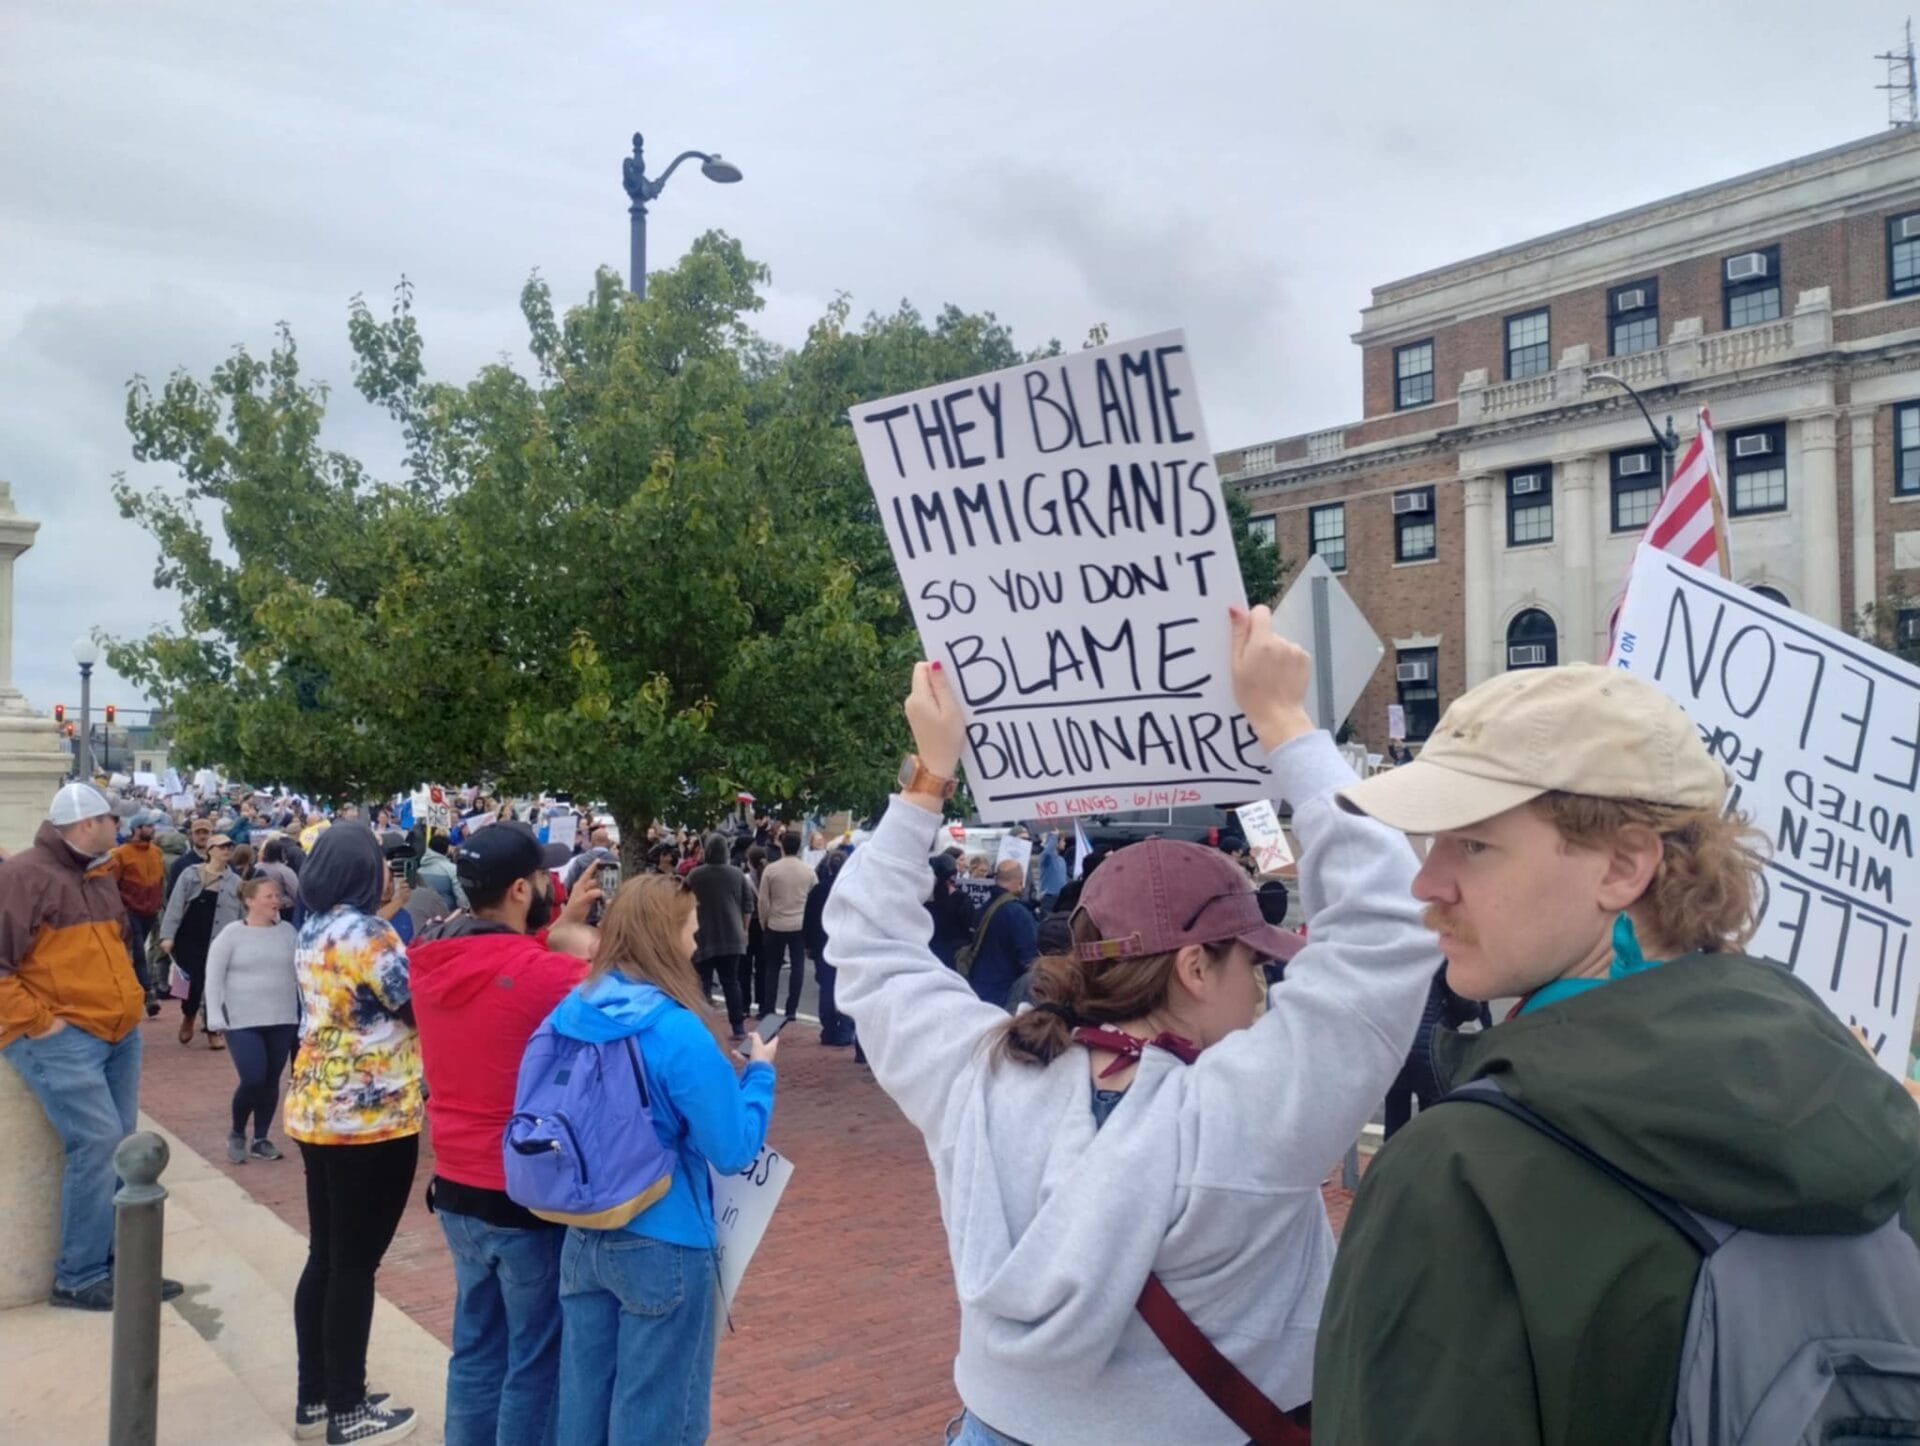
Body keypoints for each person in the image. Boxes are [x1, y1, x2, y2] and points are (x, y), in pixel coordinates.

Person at [824, 616, 1437, 1446]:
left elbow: (866, 938)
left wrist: (928, 775)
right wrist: (1286, 727)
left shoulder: (981, 1075)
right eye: (1249, 964)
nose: (1261, 986)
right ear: (1193, 968)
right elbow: (1389, 926)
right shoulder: (1244, 1112)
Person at [1313, 663, 1920, 1444]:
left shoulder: (1456, 1172)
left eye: (1473, 844)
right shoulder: (1862, 1100)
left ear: (1624, 865)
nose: (1428, 882)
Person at [552, 876, 778, 1445]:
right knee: (657, 1416)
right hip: (665, 1236)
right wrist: (759, 1076)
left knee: (583, 1406)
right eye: (691, 931)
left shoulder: (571, 1009)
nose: (696, 944)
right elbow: (731, 1148)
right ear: (666, 936)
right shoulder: (677, 1030)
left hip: (584, 1229)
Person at [410, 823, 599, 1446]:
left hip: (458, 1186)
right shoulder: (545, 975)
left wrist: (555, 924)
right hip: (525, 1191)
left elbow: (501, 970)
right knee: (534, 1364)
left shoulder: (432, 957)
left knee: (476, 1351)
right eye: (544, 880)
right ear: (522, 888)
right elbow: (589, 989)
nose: (550, 886)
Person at [0, 784, 183, 1310]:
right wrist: (40, 1024)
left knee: (121, 1149)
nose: (119, 827)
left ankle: (118, 1266)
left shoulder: (99, 872)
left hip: (113, 1032)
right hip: (64, 1036)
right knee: (101, 1143)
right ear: (84, 825)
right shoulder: (24, 877)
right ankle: (78, 1274)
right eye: (110, 819)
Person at [285, 823, 423, 1445]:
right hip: (372, 1115)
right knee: (354, 1266)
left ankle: (314, 1395)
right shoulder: (371, 935)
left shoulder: (312, 926)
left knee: (326, 1255)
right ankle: (349, 1408)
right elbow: (413, 1005)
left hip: (317, 1105)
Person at [205, 875, 299, 1164]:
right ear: (250, 901)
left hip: (282, 1017)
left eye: (277, 896)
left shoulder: (288, 932)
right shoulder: (232, 934)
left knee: (271, 1079)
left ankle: (261, 1137)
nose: (276, 901)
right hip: (243, 1019)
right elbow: (214, 976)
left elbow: (300, 973)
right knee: (253, 1077)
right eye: (269, 896)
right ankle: (236, 1131)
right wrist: (214, 1014)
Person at [159, 832, 241, 1048]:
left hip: (219, 940)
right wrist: (168, 936)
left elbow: (242, 913)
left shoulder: (236, 881)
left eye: (229, 847)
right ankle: (188, 1015)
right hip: (190, 937)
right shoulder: (190, 874)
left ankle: (213, 1029)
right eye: (222, 847)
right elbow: (176, 905)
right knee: (193, 985)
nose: (226, 851)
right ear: (210, 850)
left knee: (215, 984)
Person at [686, 833, 756, 1045]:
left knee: (701, 984)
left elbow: (684, 902)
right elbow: (748, 906)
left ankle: (700, 1025)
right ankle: (738, 1026)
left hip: (703, 936)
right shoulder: (736, 874)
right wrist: (743, 930)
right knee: (731, 982)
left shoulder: (695, 875)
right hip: (732, 935)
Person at [108, 811, 168, 1009]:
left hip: (150, 910)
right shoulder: (120, 854)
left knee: (139, 951)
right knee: (139, 952)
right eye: (148, 826)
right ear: (136, 829)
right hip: (129, 910)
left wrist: (160, 902)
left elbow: (160, 880)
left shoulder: (156, 852)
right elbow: (112, 885)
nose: (152, 829)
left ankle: (134, 988)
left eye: (152, 826)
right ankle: (147, 992)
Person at [963, 860, 1039, 1009]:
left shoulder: (981, 907)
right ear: (1020, 880)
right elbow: (1029, 961)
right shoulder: (1018, 913)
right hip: (1005, 994)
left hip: (976, 989)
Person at [756, 830, 812, 1022]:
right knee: (798, 967)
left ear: (781, 845)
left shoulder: (771, 870)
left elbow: (763, 901)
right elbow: (813, 898)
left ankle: (769, 1007)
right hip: (800, 923)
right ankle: (791, 1009)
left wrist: (764, 921)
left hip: (776, 923)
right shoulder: (808, 871)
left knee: (772, 968)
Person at [804, 850, 855, 1047]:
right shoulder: (852, 890)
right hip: (846, 946)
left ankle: (828, 1029)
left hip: (823, 946)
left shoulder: (818, 890)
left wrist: (809, 944)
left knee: (827, 988)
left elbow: (808, 920)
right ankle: (844, 1030)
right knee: (846, 988)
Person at [925, 853, 975, 972]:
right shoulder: (961, 899)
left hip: (930, 954)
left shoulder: (924, 899)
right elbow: (970, 927)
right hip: (956, 958)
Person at [414, 829, 467, 913]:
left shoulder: (419, 870)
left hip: (424, 915)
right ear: (447, 849)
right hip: (449, 916)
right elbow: (462, 898)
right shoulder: (452, 869)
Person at [166, 814, 213, 896]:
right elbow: (172, 895)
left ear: (212, 834)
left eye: (205, 833)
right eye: (197, 833)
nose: (202, 836)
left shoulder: (222, 861)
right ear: (191, 835)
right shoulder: (180, 864)